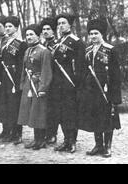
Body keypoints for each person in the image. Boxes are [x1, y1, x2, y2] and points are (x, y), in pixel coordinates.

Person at [78, 19, 121, 158]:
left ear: (102, 34)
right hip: (91, 91)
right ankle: (98, 145)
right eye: (90, 34)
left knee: (107, 118)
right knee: (95, 117)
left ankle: (107, 146)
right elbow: (85, 71)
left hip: (106, 90)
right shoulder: (88, 50)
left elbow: (116, 75)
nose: (93, 36)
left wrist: (115, 95)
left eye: (96, 33)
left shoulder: (110, 50)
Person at [50, 14, 86, 153]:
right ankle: (66, 140)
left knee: (71, 113)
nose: (60, 26)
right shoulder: (57, 42)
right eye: (58, 24)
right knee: (61, 113)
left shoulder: (76, 42)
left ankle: (72, 142)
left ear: (70, 25)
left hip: (71, 83)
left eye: (63, 23)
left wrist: (78, 84)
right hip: (58, 84)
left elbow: (81, 65)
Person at [17, 24, 53, 150]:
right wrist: (22, 83)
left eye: (32, 34)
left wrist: (43, 88)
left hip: (38, 84)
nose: (29, 37)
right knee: (31, 112)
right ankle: (36, 139)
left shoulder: (44, 51)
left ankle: (41, 140)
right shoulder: (27, 50)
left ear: (39, 35)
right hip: (28, 84)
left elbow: (46, 71)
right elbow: (24, 68)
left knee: (39, 112)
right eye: (27, 35)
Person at [0, 16, 27, 145]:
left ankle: (17, 134)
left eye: (10, 26)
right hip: (5, 79)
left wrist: (18, 82)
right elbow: (0, 61)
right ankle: (7, 131)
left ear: (16, 28)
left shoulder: (21, 44)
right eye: (6, 26)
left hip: (14, 80)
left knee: (14, 107)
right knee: (5, 106)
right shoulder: (5, 42)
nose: (7, 29)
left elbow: (21, 65)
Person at [39, 17, 59, 144]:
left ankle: (52, 134)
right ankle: (44, 132)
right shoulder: (41, 45)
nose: (45, 31)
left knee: (53, 108)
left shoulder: (57, 45)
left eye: (48, 29)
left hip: (55, 80)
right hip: (42, 79)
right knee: (43, 107)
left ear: (53, 31)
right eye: (44, 29)